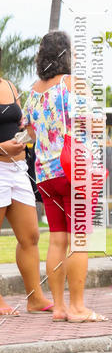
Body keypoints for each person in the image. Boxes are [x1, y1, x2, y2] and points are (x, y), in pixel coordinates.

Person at [23, 31, 106, 323]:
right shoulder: (73, 85)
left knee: (57, 239)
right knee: (79, 240)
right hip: (75, 171)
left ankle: (59, 307)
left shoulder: (32, 92)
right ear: (67, 54)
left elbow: (28, 132)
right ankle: (78, 307)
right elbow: (96, 122)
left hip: (45, 174)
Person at [0, 63, 53, 317]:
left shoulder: (9, 86)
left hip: (18, 170)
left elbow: (22, 125)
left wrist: (25, 137)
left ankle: (35, 298)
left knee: (30, 235)